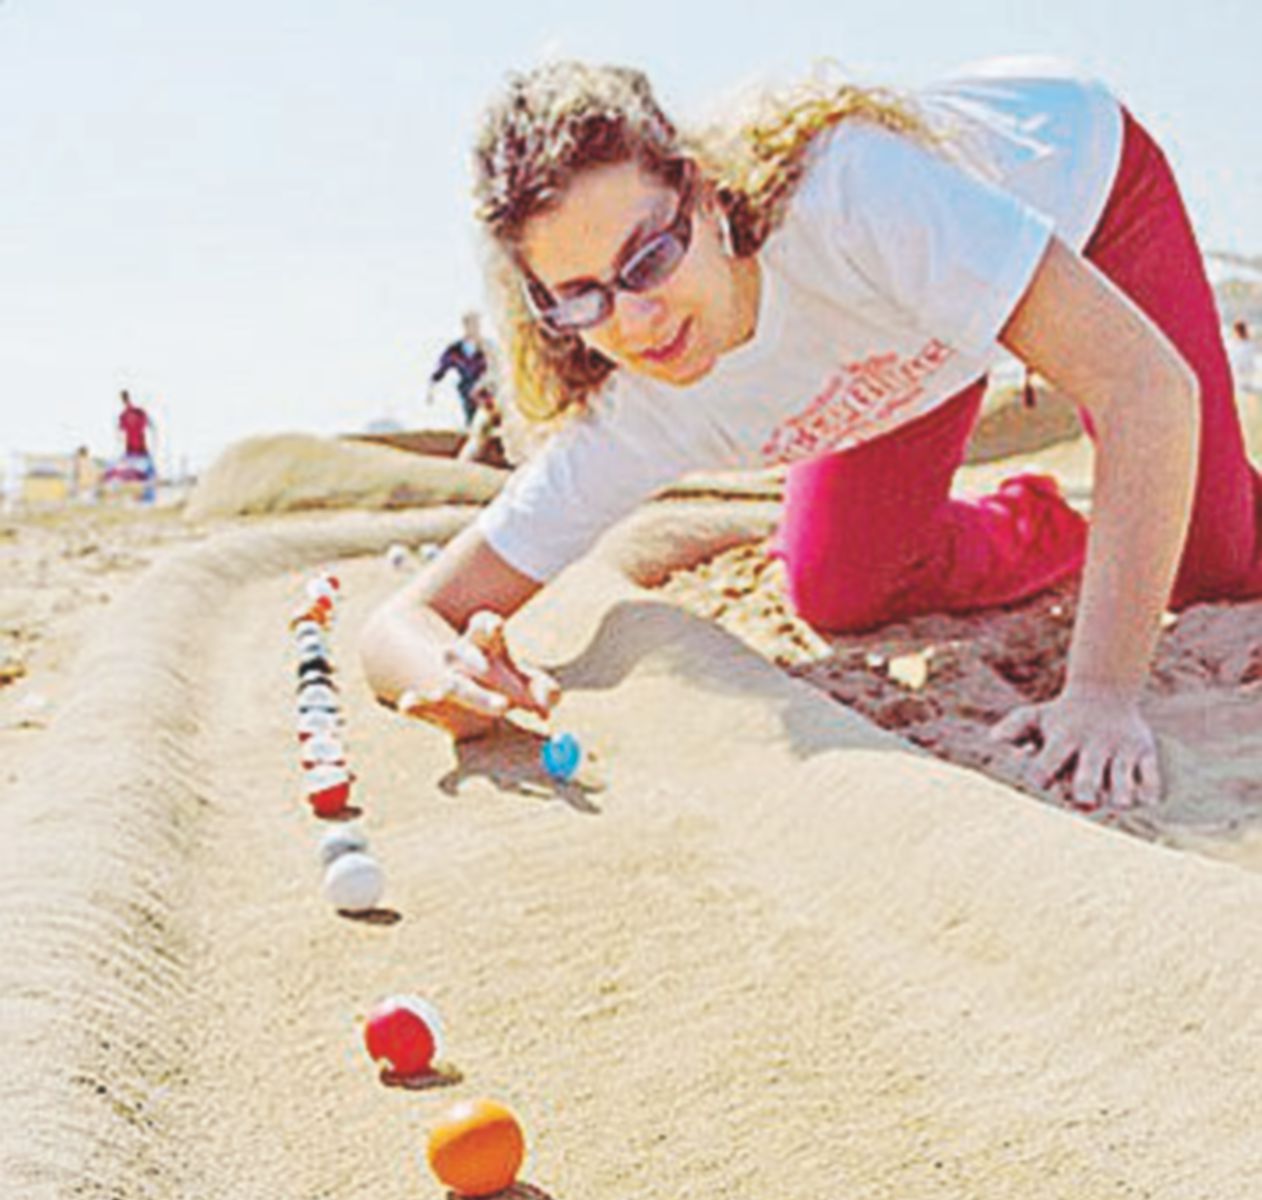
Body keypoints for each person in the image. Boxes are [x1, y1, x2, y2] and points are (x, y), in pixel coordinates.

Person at [361, 57, 1262, 811]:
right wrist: (442, 679)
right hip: (923, 328)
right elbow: (406, 618)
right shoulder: (631, 407)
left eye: (649, 257)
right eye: (582, 295)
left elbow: (1148, 387)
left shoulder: (850, 197)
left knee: (1209, 563)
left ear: (703, 197)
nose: (636, 319)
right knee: (844, 586)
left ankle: (1152, 525)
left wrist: (1102, 694)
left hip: (1083, 194)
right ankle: (1058, 527)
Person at [427, 312, 504, 463]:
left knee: (484, 421)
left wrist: (485, 384)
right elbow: (442, 367)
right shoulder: (456, 349)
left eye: (476, 323)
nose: (474, 327)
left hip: (486, 390)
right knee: (473, 423)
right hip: (467, 390)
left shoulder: (487, 347)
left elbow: (497, 368)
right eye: (470, 323)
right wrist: (432, 386)